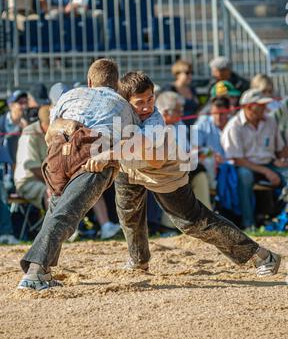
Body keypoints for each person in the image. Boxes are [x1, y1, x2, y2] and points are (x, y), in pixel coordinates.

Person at [87, 71, 281, 278]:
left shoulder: (154, 120)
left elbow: (141, 143)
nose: (146, 106)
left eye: (150, 99)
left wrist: (108, 154)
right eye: (139, 102)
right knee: (128, 215)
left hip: (163, 171)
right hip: (129, 167)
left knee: (193, 222)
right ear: (126, 102)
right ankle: (138, 260)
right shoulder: (119, 112)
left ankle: (262, 256)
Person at [17, 58, 139, 291]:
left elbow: (49, 132)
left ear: (89, 81)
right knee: (66, 214)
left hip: (56, 153)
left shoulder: (70, 95)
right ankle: (34, 271)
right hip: (93, 156)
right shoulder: (122, 104)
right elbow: (130, 144)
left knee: (56, 211)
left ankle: (43, 271)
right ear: (116, 84)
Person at [221, 88, 287, 228]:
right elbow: (238, 160)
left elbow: (280, 148)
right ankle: (248, 223)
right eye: (261, 105)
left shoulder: (270, 121)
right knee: (245, 177)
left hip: (269, 163)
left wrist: (282, 159)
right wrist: (266, 171)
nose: (265, 107)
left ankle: (280, 219)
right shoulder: (234, 126)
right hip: (245, 166)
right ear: (249, 107)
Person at [14, 105, 51, 210]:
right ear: (46, 124)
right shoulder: (29, 134)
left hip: (47, 179)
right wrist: (56, 183)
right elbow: (34, 168)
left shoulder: (53, 133)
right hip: (27, 182)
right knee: (51, 192)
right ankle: (55, 226)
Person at [162, 59, 199, 125]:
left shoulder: (192, 89)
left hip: (194, 125)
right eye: (187, 73)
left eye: (191, 72)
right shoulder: (169, 88)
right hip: (176, 126)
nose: (190, 75)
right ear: (177, 74)